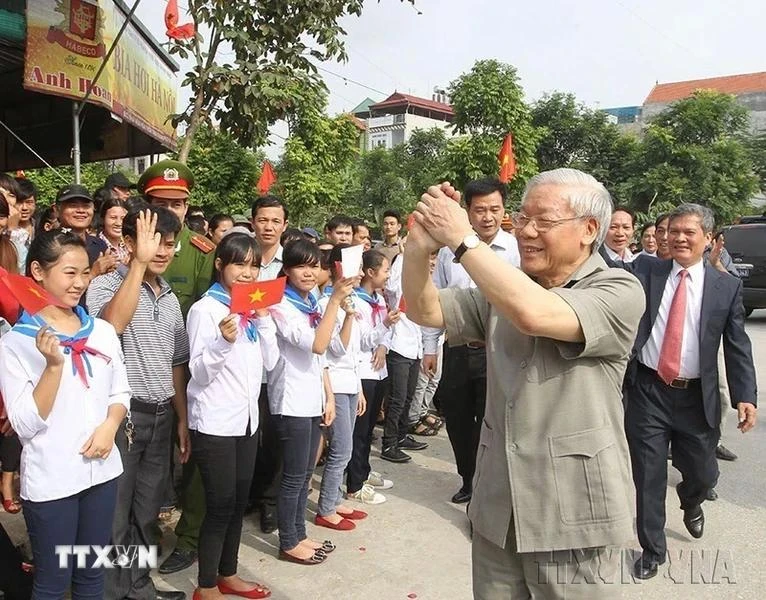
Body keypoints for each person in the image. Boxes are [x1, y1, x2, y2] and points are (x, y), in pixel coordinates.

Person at [402, 168, 643, 599]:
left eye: (543, 221)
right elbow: (427, 310)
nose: (527, 231)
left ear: (589, 230)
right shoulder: (510, 287)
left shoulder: (618, 288)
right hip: (499, 502)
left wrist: (463, 239)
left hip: (572, 510)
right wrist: (419, 248)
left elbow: (536, 315)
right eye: (524, 218)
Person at [619, 203, 757, 580]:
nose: (677, 238)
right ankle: (652, 550)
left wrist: (747, 395)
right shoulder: (647, 269)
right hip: (649, 389)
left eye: (688, 232)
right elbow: (609, 273)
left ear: (709, 239)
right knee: (647, 474)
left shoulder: (725, 287)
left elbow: (737, 345)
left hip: (697, 397)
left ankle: (692, 500)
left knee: (702, 472)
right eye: (672, 231)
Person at [0, 229, 131, 598]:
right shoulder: (15, 343)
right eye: (69, 273)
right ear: (38, 271)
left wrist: (110, 426)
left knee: (92, 575)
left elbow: (121, 390)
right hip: (53, 480)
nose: (79, 283)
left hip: (102, 473)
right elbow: (24, 423)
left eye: (85, 272)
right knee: (54, 582)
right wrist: (53, 368)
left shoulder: (102, 332)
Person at [87, 208, 189, 600]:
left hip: (161, 415)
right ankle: (112, 592)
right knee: (116, 514)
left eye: (168, 243)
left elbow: (177, 362)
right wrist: (138, 266)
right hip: (123, 419)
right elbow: (112, 325)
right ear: (128, 244)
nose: (163, 251)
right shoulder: (104, 286)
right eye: (153, 242)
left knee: (147, 514)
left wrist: (181, 418)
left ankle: (140, 587)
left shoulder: (170, 297)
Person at [186, 232, 278, 599]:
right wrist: (222, 342)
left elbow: (269, 365)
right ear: (221, 264)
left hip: (247, 420)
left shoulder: (250, 312)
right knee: (221, 503)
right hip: (214, 422)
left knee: (239, 501)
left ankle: (228, 573)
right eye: (239, 263)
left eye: (254, 265)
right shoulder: (205, 310)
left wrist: (265, 320)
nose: (247, 272)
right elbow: (199, 372)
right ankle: (206, 584)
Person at [421, 177, 520, 504]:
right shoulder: (451, 253)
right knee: (460, 419)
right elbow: (435, 299)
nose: (487, 217)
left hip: (501, 349)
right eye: (480, 210)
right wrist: (430, 347)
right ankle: (468, 479)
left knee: (495, 421)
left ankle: (493, 486)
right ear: (468, 211)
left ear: (504, 209)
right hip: (458, 348)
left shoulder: (518, 251)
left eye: (494, 209)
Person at [137, 161, 214, 577]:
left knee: (192, 462)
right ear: (144, 203)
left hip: (191, 374)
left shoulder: (203, 252)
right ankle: (141, 546)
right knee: (143, 475)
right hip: (140, 379)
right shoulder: (128, 254)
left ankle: (188, 539)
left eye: (180, 203)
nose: (173, 210)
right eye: (161, 202)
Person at [268, 239, 354, 564]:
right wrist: (333, 300)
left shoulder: (313, 303)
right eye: (301, 265)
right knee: (293, 475)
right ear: (287, 270)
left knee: (305, 473)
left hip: (314, 398)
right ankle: (288, 540)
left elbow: (332, 352)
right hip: (290, 400)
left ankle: (299, 534)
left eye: (314, 265)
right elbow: (316, 345)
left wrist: (329, 396)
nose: (309, 272)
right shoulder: (281, 305)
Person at [315, 244, 371, 530]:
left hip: (350, 382)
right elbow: (337, 348)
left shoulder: (353, 300)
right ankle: (326, 507)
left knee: (345, 450)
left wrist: (359, 388)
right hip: (334, 384)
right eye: (357, 267)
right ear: (340, 269)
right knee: (340, 449)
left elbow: (355, 355)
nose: (361, 273)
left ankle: (335, 501)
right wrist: (348, 315)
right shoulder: (329, 304)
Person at [247, 195, 289, 535]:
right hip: (242, 365)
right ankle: (249, 494)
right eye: (263, 220)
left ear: (284, 225)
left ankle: (270, 502)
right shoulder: (240, 260)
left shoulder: (290, 267)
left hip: (276, 367)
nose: (269, 226)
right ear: (253, 222)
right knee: (247, 435)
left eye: (275, 221)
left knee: (275, 437)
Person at [345, 249, 398, 504]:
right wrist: (385, 325)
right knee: (359, 430)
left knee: (368, 431)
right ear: (370, 272)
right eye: (385, 270)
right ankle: (354, 483)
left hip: (379, 371)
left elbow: (381, 338)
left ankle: (364, 472)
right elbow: (363, 339)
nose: (388, 276)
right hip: (363, 372)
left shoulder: (378, 299)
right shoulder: (355, 302)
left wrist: (384, 345)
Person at [380, 239, 429, 463]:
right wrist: (405, 253)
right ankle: (388, 443)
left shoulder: (420, 284)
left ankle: (401, 436)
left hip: (415, 347)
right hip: (399, 346)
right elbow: (394, 281)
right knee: (397, 398)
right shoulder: (396, 285)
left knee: (408, 397)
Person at [54, 185, 113, 278]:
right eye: (73, 206)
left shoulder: (99, 245)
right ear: (56, 209)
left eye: (86, 206)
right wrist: (93, 274)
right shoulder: (49, 245)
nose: (81, 210)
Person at [98, 197, 130, 264]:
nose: (119, 223)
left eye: (123, 218)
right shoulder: (94, 246)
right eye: (113, 218)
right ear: (103, 219)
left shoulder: (130, 246)